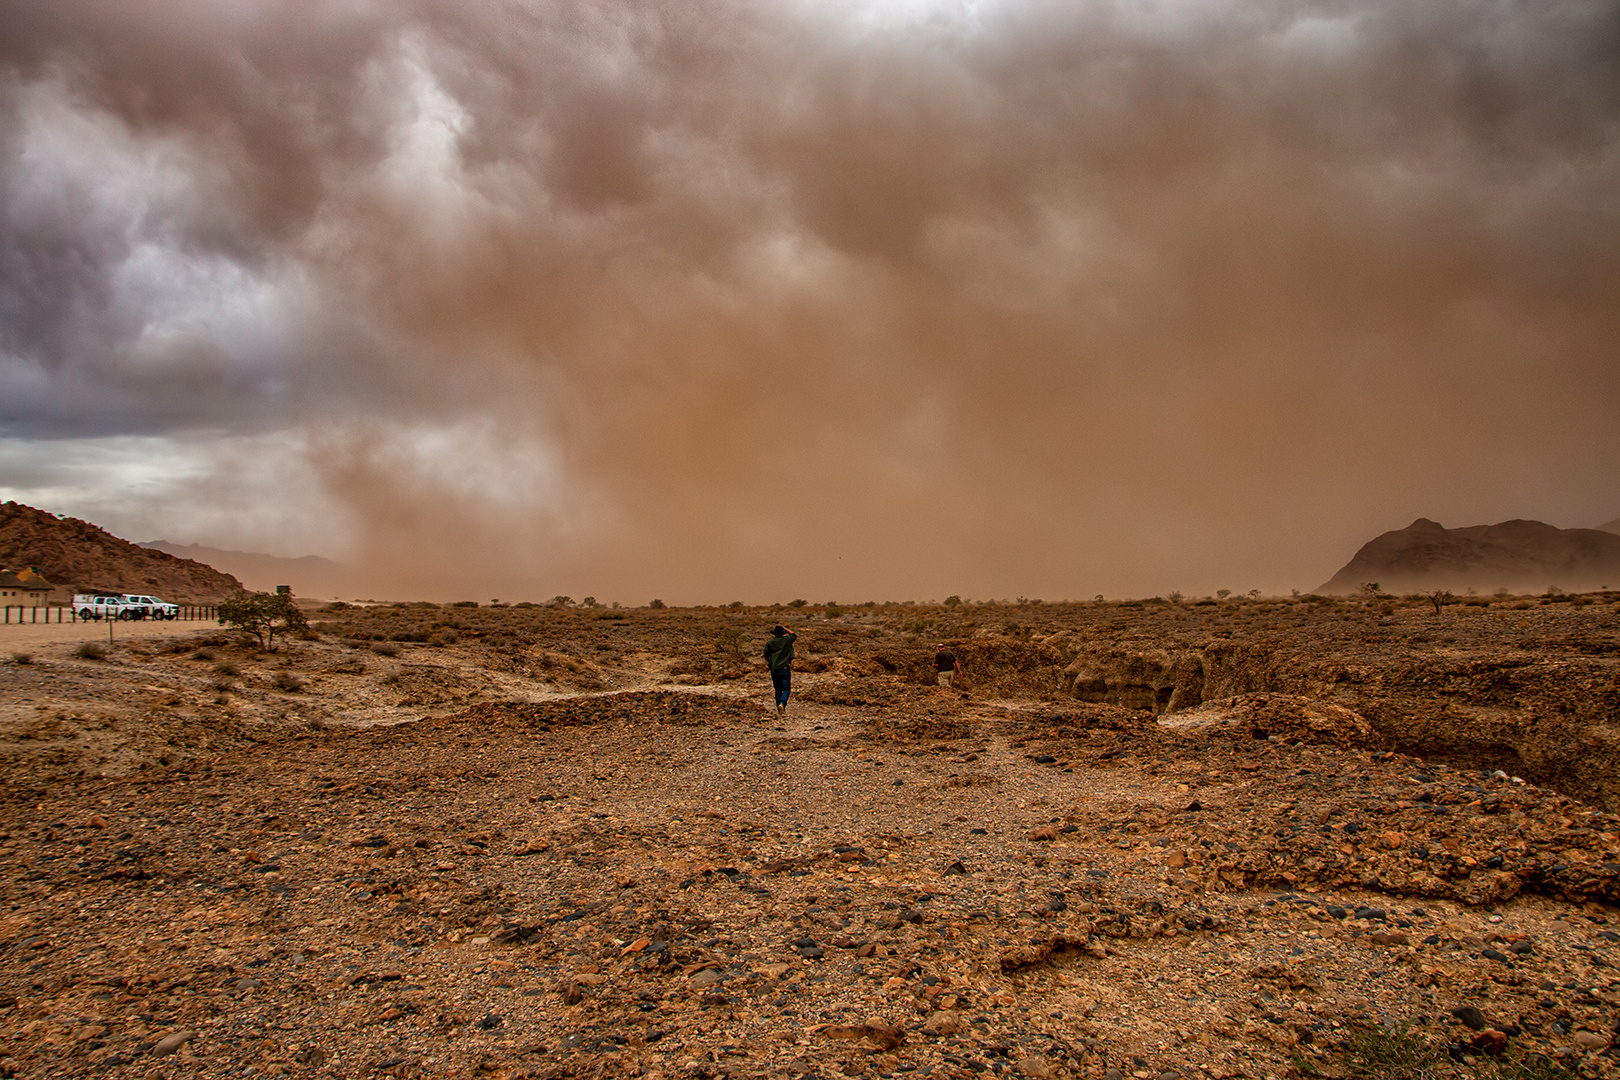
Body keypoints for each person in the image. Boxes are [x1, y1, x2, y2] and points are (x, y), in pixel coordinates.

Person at [763, 623, 797, 718]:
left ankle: (779, 709)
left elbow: (766, 656)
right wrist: (784, 628)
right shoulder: (787, 640)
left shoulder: (770, 643)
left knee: (777, 689)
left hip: (774, 669)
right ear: (782, 632)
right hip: (785, 668)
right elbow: (794, 635)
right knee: (786, 689)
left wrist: (771, 661)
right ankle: (782, 703)